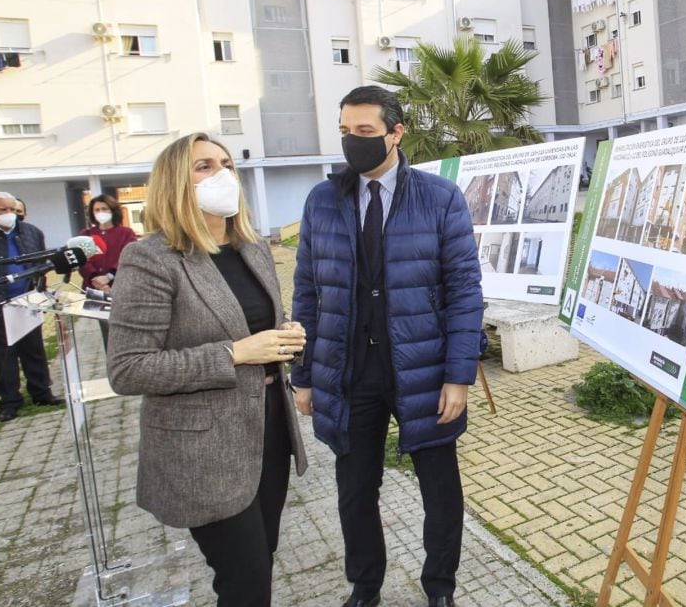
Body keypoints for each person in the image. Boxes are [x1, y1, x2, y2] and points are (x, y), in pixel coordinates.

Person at [293, 86, 484, 607]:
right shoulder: (322, 201)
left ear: (396, 134)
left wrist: (458, 376)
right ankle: (366, 587)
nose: (353, 143)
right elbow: (307, 291)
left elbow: (465, 292)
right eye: (345, 132)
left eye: (365, 133)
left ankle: (439, 588)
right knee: (355, 491)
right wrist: (303, 374)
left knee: (440, 491)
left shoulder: (440, 198)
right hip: (349, 371)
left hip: (422, 369)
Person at [107, 133, 308, 606]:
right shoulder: (151, 258)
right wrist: (235, 354)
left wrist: (284, 337)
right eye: (203, 166)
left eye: (226, 164)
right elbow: (128, 369)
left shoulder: (252, 247)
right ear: (175, 181)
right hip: (203, 449)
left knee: (263, 556)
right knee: (245, 580)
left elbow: (254, 326)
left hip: (268, 427)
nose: (220, 174)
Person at [0, 191, 64, 421]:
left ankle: (42, 393)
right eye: (3, 210)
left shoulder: (31, 232)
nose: (9, 214)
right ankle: (10, 401)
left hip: (28, 300)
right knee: (2, 355)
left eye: (12, 209)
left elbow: (41, 263)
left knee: (34, 350)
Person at [79, 194, 138, 294]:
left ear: (113, 210)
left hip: (118, 287)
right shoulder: (86, 234)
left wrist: (109, 276)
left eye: (104, 209)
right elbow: (81, 260)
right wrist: (94, 278)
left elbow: (130, 257)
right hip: (91, 288)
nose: (100, 212)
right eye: (97, 210)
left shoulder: (126, 233)